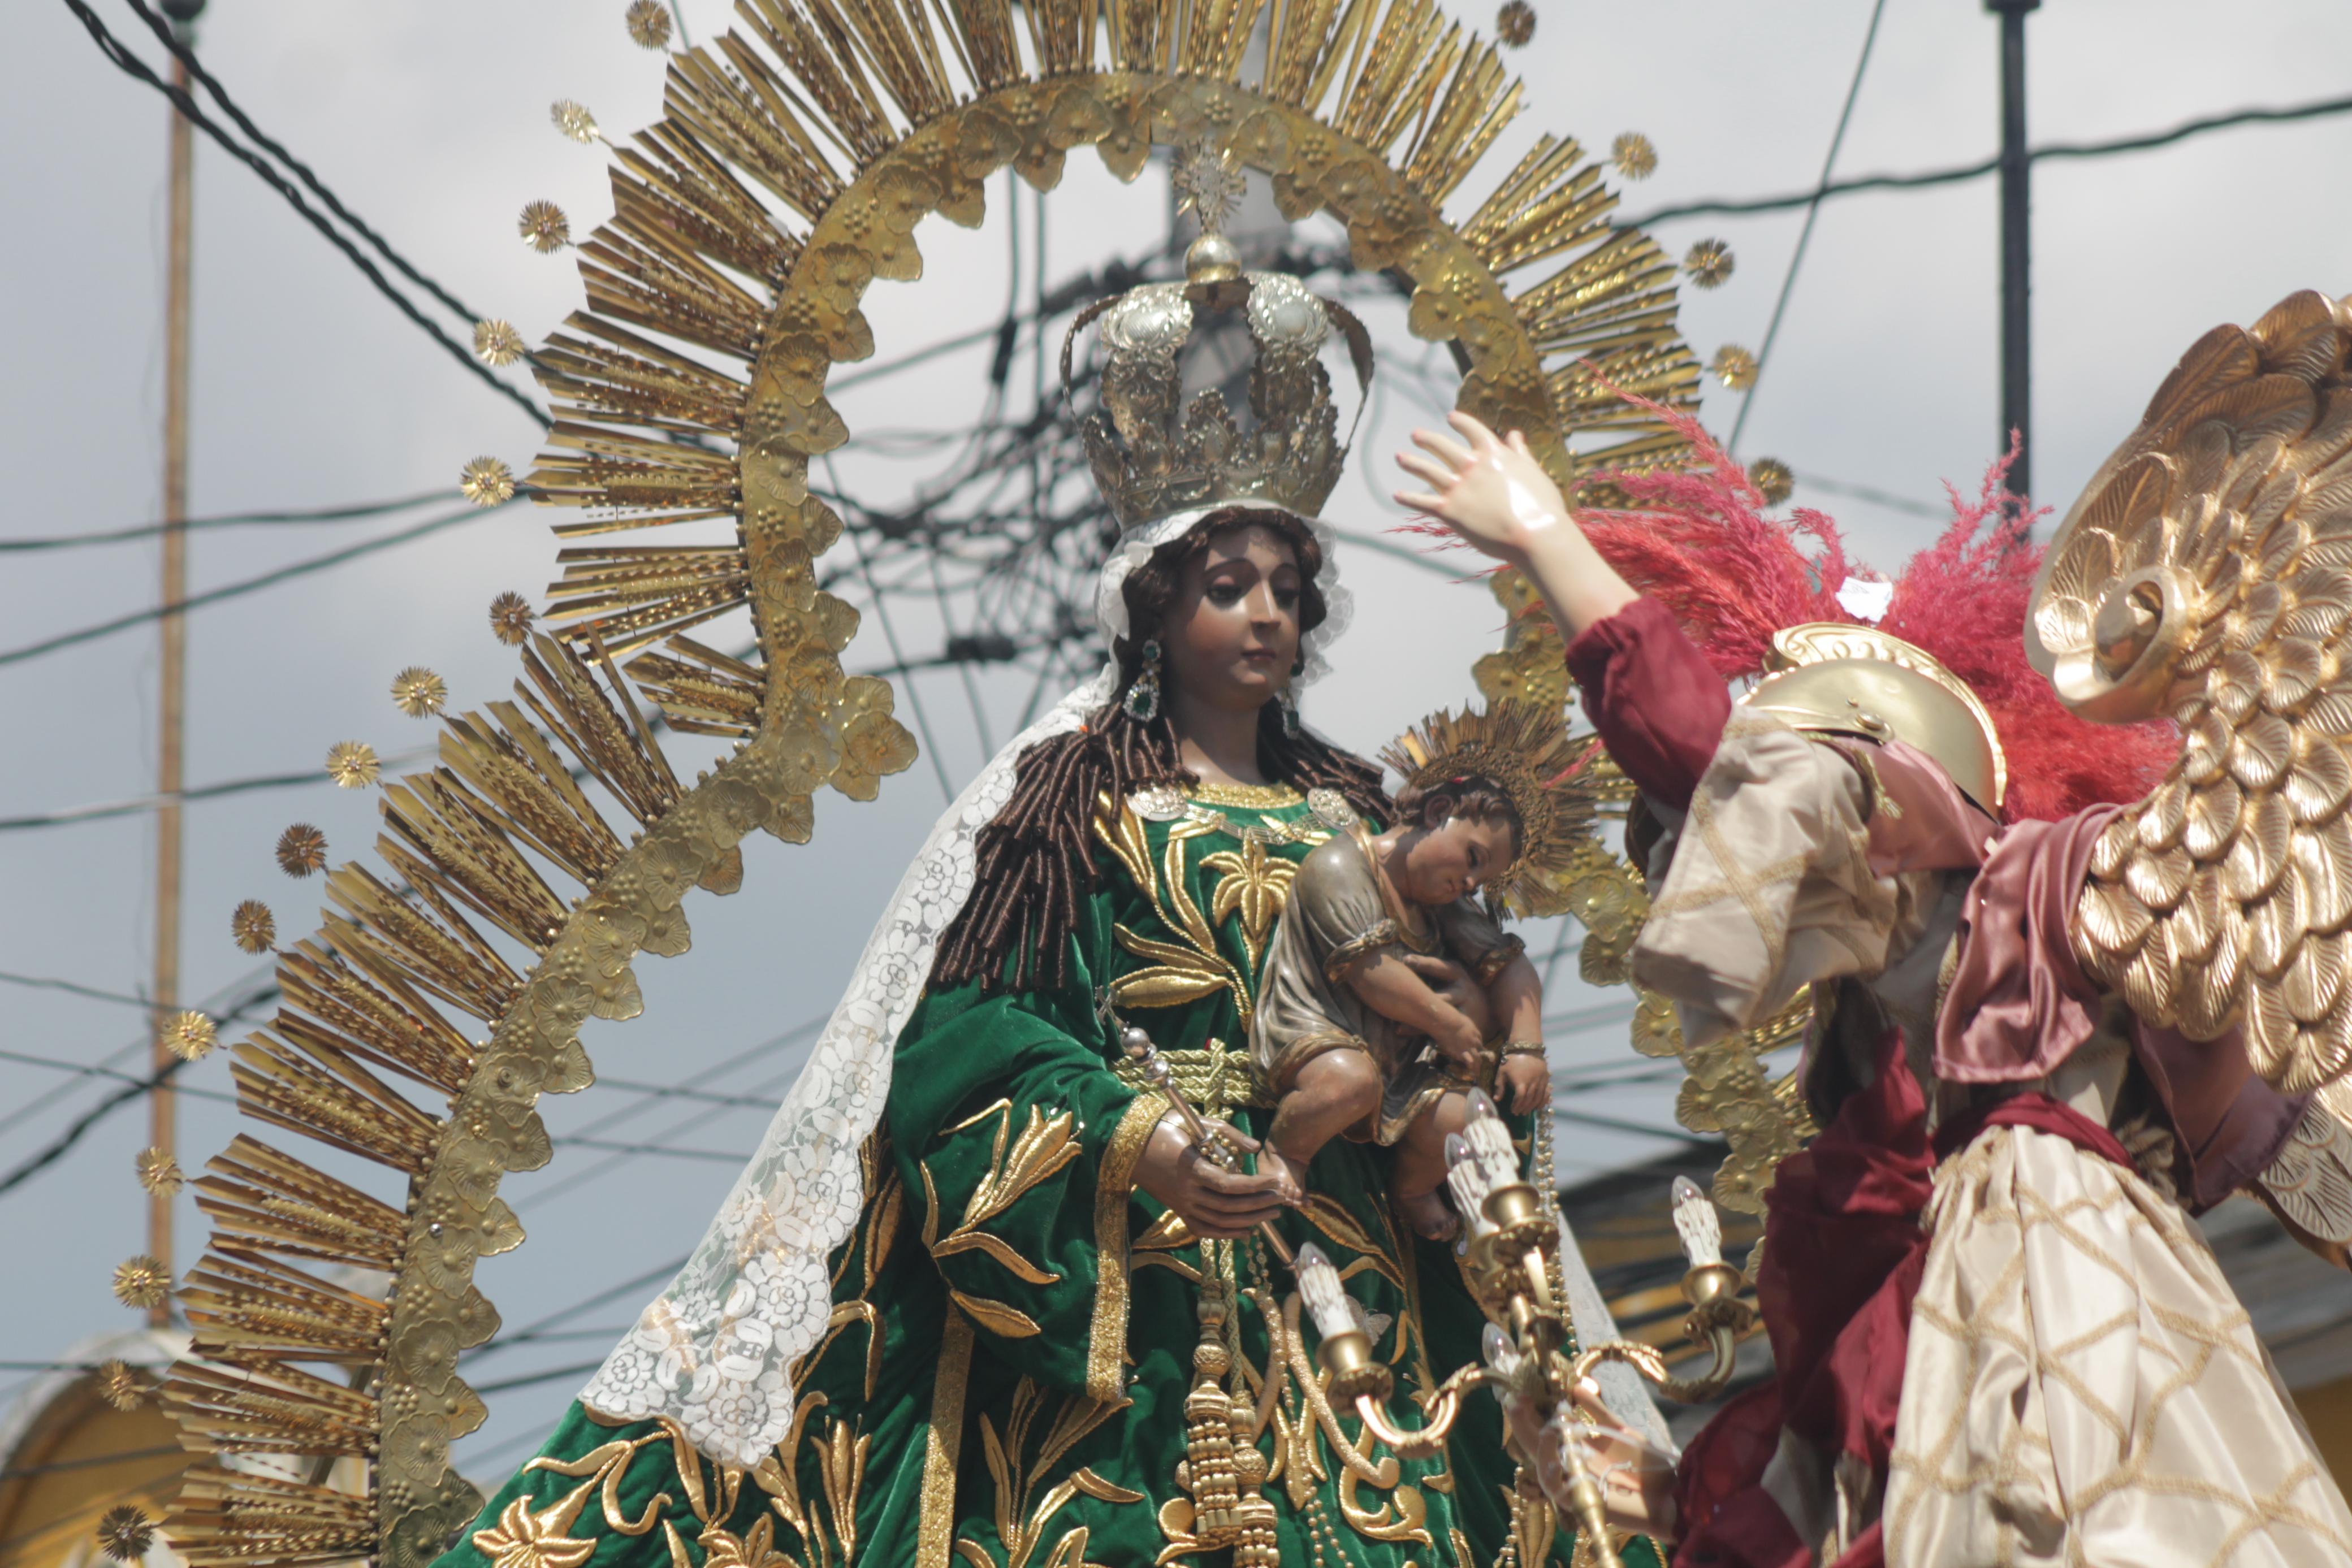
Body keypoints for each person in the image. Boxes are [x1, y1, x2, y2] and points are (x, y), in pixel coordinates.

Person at [432, 241, 1657, 1568]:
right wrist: (1143, 1138)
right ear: (1153, 602)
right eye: (1228, 586)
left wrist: (1482, 1049)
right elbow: (969, 1033)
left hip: (1350, 1256)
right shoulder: (1066, 802)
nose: (1266, 619)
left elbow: (1450, 985)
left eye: (1290, 595)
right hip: (1147, 1259)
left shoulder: (1360, 814)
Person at [1397, 289, 2352, 1568]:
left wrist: (1555, 548)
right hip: (1998, 1277)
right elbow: (1842, 1437)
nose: (1764, 857)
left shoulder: (2047, 886)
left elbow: (1704, 749)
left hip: (2069, 1278)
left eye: (1807, 786)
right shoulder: (1884, 1145)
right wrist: (1674, 1495)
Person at [1252, 709, 1585, 1239]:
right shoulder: (1340, 867)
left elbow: (1510, 966)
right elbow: (1370, 971)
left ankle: (1409, 1187)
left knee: (1463, 1118)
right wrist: (1445, 1022)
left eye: (1482, 879)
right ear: (1436, 811)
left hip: (1397, 1069)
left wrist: (1526, 1046)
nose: (1470, 883)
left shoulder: (1443, 904)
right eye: (1472, 857)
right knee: (1347, 1082)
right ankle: (1284, 1151)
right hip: (1318, 1035)